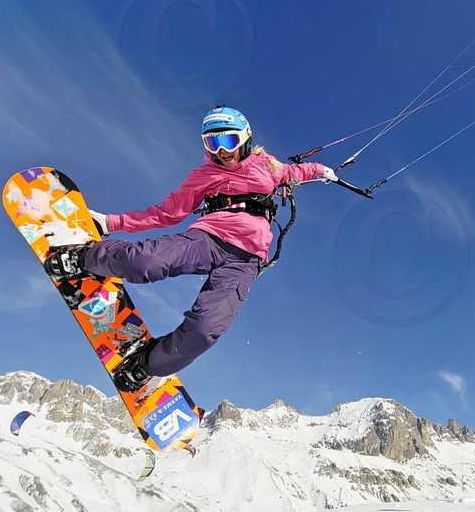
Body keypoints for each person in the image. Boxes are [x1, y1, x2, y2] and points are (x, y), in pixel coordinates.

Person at [43, 106, 338, 393]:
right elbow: (167, 213)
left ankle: (148, 365)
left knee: (205, 330)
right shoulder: (203, 175)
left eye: (229, 140)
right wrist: (111, 222)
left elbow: (300, 170)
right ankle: (83, 257)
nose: (222, 151)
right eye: (213, 143)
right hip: (207, 239)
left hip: (245, 261)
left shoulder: (270, 167)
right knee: (146, 262)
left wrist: (325, 171)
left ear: (246, 137)